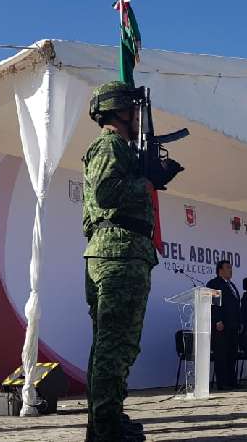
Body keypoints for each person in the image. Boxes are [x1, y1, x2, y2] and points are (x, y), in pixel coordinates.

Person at [83, 81, 182, 442]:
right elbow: (107, 194)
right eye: (135, 110)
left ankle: (105, 419)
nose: (141, 116)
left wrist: (148, 175)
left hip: (119, 252)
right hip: (118, 254)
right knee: (116, 345)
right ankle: (105, 428)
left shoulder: (118, 148)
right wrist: (147, 180)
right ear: (120, 111)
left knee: (113, 344)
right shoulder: (110, 145)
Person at [208, 260, 242, 390]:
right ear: (220, 270)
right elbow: (214, 304)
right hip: (221, 326)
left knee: (231, 355)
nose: (230, 270)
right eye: (228, 268)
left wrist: (240, 322)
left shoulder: (231, 285)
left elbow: (236, 306)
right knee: (221, 355)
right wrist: (217, 320)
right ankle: (222, 383)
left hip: (233, 326)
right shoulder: (214, 283)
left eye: (231, 268)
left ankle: (232, 381)